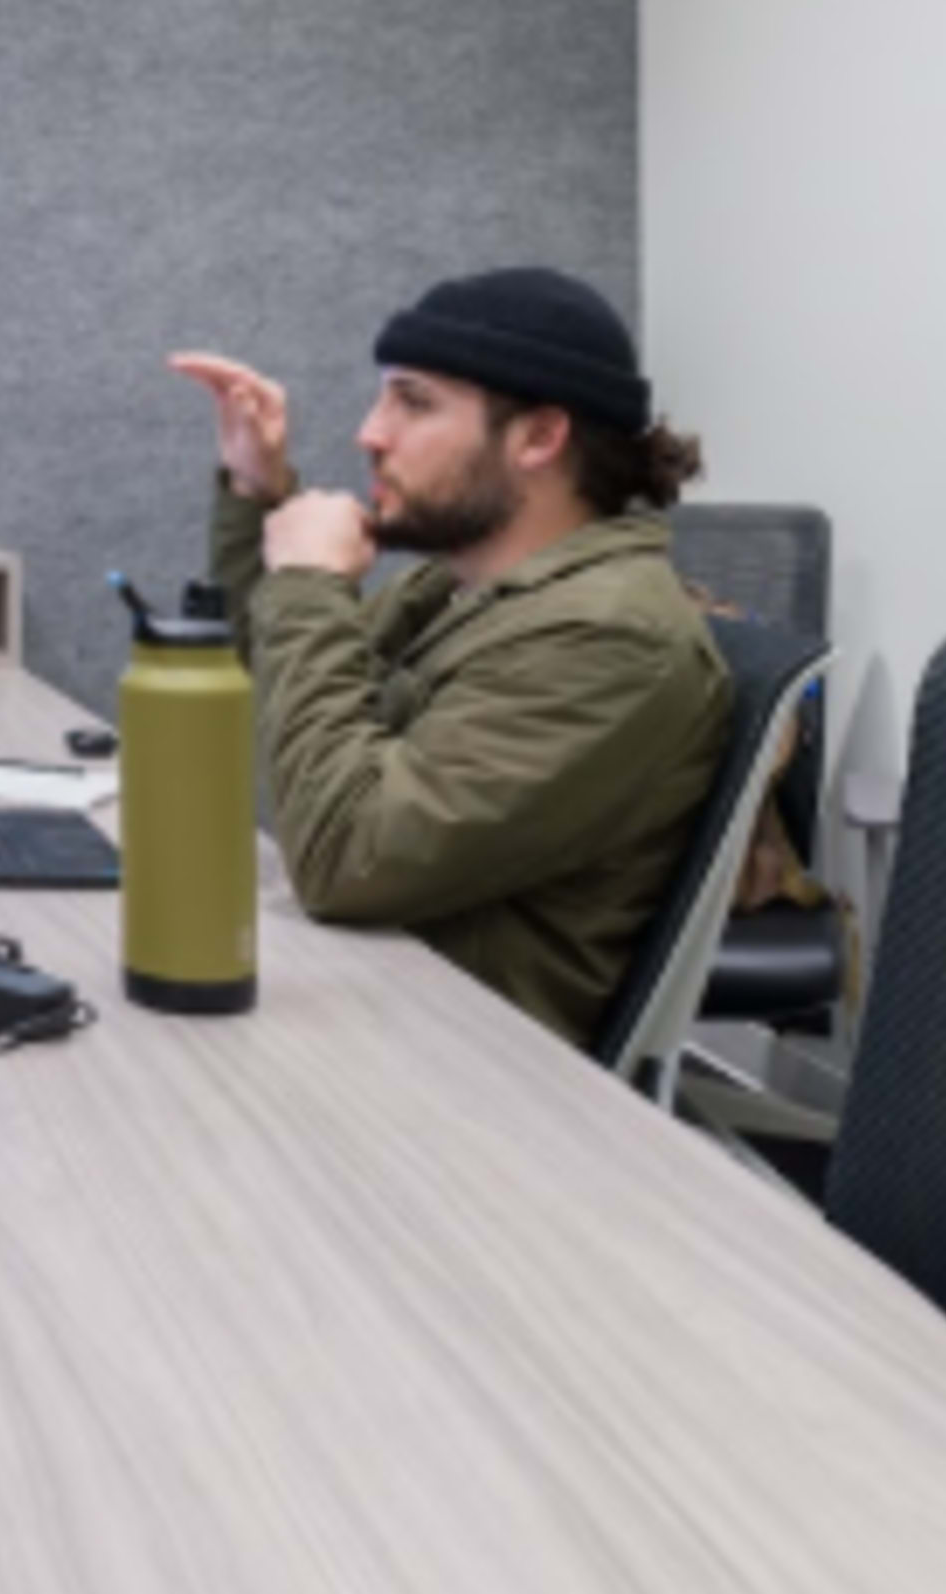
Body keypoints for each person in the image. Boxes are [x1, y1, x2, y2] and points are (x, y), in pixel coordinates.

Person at [170, 266, 730, 1052]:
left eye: (414, 401)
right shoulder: (468, 585)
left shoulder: (608, 638)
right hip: (375, 991)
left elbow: (348, 856)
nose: (371, 431)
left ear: (539, 436)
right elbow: (290, 696)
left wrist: (308, 582)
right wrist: (260, 494)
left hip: (451, 1069)